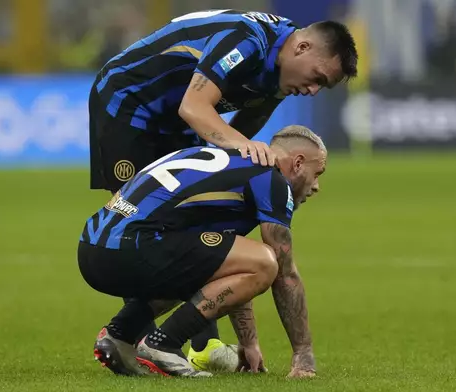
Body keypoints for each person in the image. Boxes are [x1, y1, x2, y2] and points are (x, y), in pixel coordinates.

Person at [88, 8, 357, 373]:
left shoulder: (275, 80)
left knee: (200, 223)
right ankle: (144, 340)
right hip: (129, 102)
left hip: (174, 117)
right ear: (302, 47)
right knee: (146, 223)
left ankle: (184, 342)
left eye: (321, 88)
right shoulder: (247, 40)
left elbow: (232, 166)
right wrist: (246, 147)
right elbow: (195, 106)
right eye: (316, 78)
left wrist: (249, 338)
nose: (311, 91)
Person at [79, 125, 327, 378]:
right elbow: (285, 274)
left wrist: (248, 342)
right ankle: (163, 344)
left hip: (93, 249)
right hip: (133, 246)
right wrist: (303, 353)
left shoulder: (231, 163)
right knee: (267, 262)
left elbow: (226, 262)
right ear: (297, 163)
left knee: (224, 260)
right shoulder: (270, 178)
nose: (316, 186)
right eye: (317, 173)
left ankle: (119, 334)